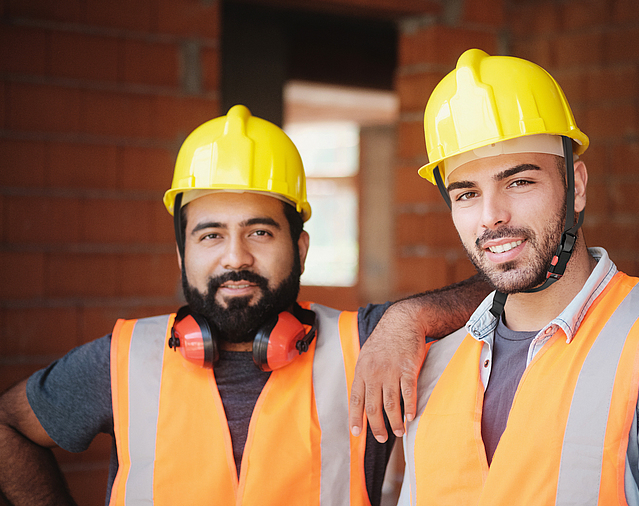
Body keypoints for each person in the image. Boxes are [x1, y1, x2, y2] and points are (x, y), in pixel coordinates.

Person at [0, 105, 489, 506]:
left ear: (299, 249)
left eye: (260, 231)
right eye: (210, 234)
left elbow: (505, 285)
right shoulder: (123, 361)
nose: (235, 257)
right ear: (182, 254)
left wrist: (410, 317)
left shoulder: (364, 344)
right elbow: (8, 426)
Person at [350, 49, 639, 505]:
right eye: (467, 194)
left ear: (578, 185)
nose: (491, 217)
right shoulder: (436, 366)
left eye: (519, 182)